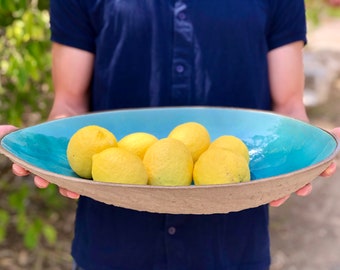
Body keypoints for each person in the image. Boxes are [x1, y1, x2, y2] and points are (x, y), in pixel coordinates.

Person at [1, 1, 339, 269]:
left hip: (232, 246)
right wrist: (43, 145)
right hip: (113, 246)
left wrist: (307, 150)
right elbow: (68, 104)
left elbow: (289, 107)